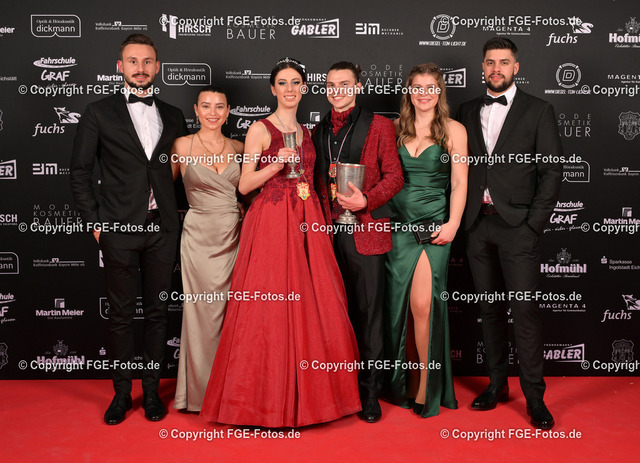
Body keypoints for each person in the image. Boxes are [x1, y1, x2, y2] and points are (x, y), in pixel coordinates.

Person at [199, 58, 361, 428]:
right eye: (282, 83)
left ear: (304, 88)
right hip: (272, 221)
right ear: (272, 89)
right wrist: (275, 165)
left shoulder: (308, 131)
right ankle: (261, 402)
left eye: (296, 82)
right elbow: (244, 185)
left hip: (308, 219)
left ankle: (315, 401)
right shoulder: (260, 129)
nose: (289, 89)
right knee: (269, 306)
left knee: (314, 302)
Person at [70, 34, 188, 424]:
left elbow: (180, 175)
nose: (140, 68)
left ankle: (151, 392)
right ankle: (121, 394)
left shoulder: (174, 115)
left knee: (157, 314)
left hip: (162, 230)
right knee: (120, 316)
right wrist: (95, 224)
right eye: (133, 61)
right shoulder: (98, 112)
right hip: (117, 230)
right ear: (120, 67)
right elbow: (80, 172)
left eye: (147, 61)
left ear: (158, 67)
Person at [457, 37, 562, 429]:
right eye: (490, 62)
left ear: (516, 67)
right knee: (488, 310)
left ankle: (534, 398)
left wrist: (534, 224)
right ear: (482, 67)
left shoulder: (539, 110)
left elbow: (551, 170)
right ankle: (497, 385)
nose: (496, 68)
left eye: (504, 62)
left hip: (518, 227)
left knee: (524, 312)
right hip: (476, 224)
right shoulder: (467, 110)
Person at [312, 61, 404, 423]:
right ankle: (339, 391)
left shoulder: (380, 125)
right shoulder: (317, 129)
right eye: (331, 85)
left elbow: (395, 177)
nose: (337, 91)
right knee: (334, 315)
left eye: (344, 84)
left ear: (358, 86)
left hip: (366, 233)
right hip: (327, 234)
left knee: (369, 315)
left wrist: (367, 200)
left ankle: (370, 393)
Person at [385, 63, 468, 417]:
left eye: (430, 87)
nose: (423, 93)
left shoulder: (453, 129)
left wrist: (453, 224)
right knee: (400, 310)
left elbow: (459, 182)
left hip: (433, 228)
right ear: (409, 91)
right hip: (398, 228)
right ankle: (408, 382)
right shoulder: (394, 129)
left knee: (423, 305)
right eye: (417, 87)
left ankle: (427, 387)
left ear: (439, 92)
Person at [170, 86, 244, 412]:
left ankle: (231, 392)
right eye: (206, 106)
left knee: (233, 314)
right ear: (196, 110)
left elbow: (250, 192)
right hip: (198, 238)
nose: (212, 112)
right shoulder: (181, 146)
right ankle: (200, 394)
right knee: (201, 313)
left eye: (219, 106)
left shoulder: (241, 148)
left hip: (235, 237)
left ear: (228, 112)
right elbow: (161, 191)